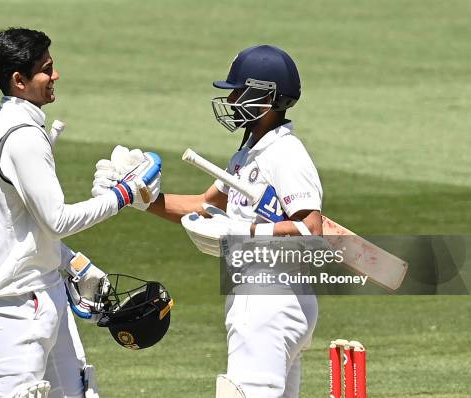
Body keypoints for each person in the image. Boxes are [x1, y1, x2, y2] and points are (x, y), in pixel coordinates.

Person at [92, 45, 322, 397]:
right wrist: (135, 199)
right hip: (270, 298)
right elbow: (203, 205)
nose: (230, 98)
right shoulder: (249, 154)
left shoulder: (285, 153)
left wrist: (240, 232)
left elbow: (310, 229)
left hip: (267, 301)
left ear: (266, 97)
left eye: (239, 91)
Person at [0, 27, 160, 398]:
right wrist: (124, 194)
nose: (55, 76)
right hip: (17, 303)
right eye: (46, 69)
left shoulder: (9, 124)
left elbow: (24, 227)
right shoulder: (22, 136)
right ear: (19, 80)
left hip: (42, 290)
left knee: (77, 392)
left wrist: (70, 262)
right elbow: (58, 220)